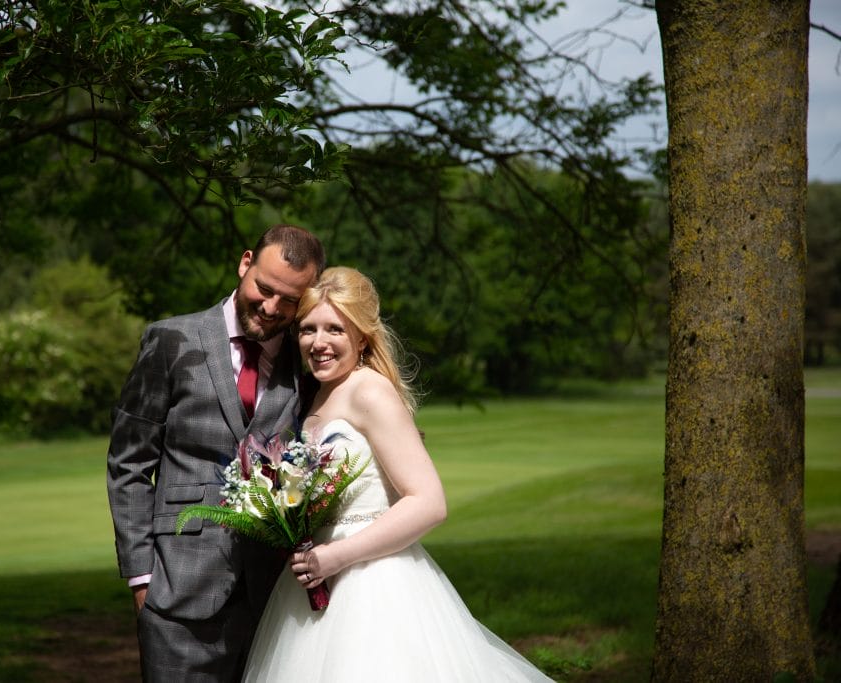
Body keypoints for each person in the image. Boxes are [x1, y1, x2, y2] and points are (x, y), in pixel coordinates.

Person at [243, 267, 555, 682]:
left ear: (362, 335)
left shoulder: (369, 390)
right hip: (311, 586)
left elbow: (428, 503)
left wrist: (335, 556)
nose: (318, 343)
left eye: (334, 329)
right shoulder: (316, 394)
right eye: (308, 329)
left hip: (374, 588)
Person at [106, 224, 326, 682]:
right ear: (245, 264)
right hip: (176, 592)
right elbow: (129, 463)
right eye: (264, 289)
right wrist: (141, 578)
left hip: (273, 599)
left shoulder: (304, 362)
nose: (271, 308)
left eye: (289, 300)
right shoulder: (170, 341)